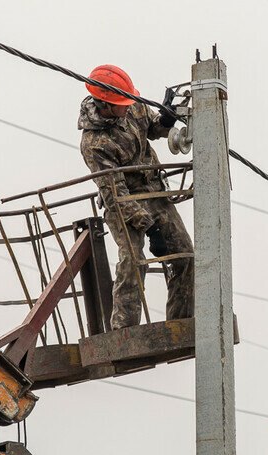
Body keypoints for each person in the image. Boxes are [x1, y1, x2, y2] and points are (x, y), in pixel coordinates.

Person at [78, 65, 194, 330]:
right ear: (105, 105)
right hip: (122, 202)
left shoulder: (133, 107)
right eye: (123, 103)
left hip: (154, 191)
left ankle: (181, 323)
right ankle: (124, 330)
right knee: (133, 260)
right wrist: (151, 228)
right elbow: (116, 194)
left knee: (185, 255)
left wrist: (165, 120)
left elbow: (152, 129)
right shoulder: (94, 144)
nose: (130, 106)